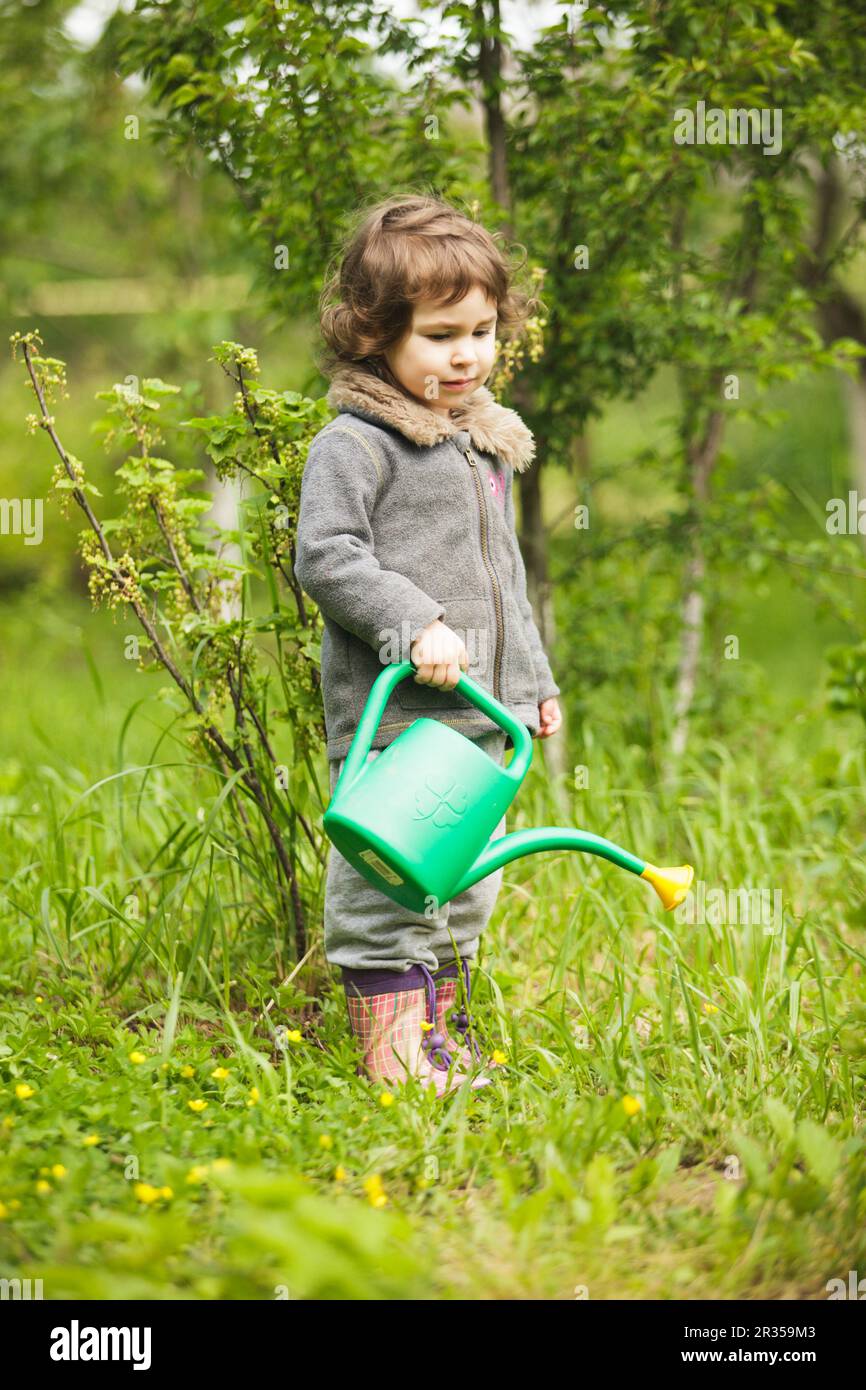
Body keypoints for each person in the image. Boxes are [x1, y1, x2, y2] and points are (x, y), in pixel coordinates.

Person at [294, 194, 562, 1097]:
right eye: (442, 336)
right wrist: (412, 620)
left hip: (482, 715)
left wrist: (532, 685)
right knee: (387, 888)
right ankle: (395, 1060)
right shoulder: (356, 445)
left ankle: (438, 1047)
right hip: (400, 718)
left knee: (461, 884)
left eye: (483, 332)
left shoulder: (479, 444)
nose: (467, 356)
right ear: (376, 336)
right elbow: (327, 558)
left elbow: (506, 581)